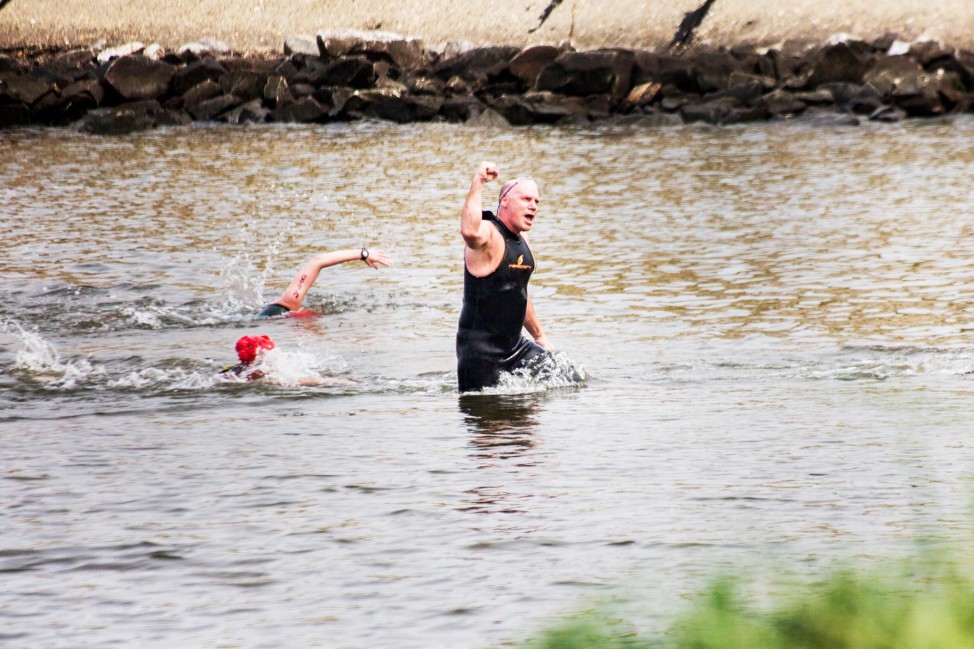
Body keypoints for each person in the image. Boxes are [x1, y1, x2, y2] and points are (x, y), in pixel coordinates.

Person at [456, 161, 553, 392]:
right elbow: (469, 231)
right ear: (505, 201)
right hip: (481, 353)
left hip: (516, 347)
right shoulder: (488, 233)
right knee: (493, 420)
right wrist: (478, 182)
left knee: (566, 374)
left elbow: (519, 292)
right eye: (526, 199)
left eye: (537, 201)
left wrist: (540, 337)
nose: (533, 206)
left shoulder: (523, 240)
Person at [258, 248, 393, 318]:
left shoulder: (289, 303)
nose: (313, 313)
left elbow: (318, 261)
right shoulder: (289, 312)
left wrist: (363, 253)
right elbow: (318, 261)